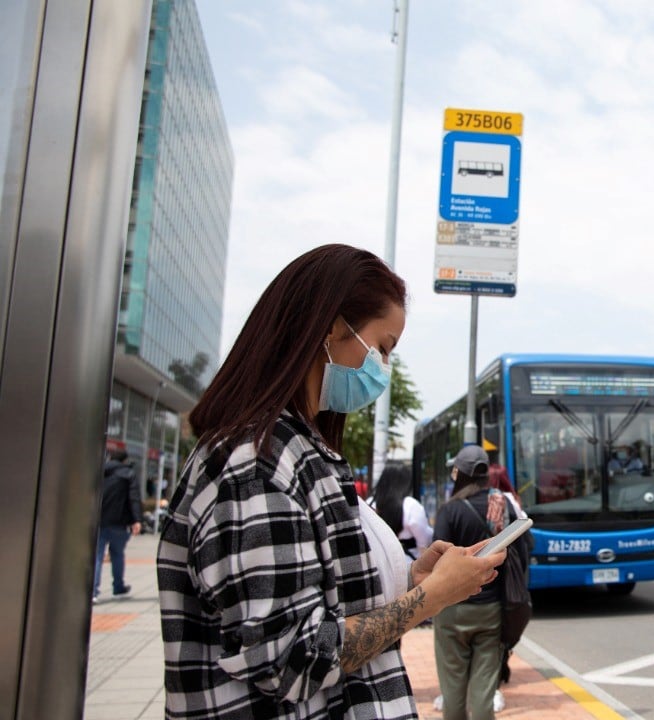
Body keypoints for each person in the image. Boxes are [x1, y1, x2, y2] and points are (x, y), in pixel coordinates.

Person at [155, 244, 505, 719]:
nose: (383, 367)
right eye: (382, 347)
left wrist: (412, 581)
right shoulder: (255, 464)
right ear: (333, 327)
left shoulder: (299, 449)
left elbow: (322, 603)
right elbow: (293, 660)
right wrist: (431, 597)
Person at [432, 444, 531, 720]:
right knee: (484, 688)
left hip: (451, 609)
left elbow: (436, 559)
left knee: (452, 690)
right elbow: (521, 555)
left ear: (459, 474)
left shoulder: (449, 511)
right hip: (491, 609)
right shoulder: (503, 505)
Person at [94, 449, 142, 603]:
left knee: (97, 556)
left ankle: (93, 591)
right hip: (119, 522)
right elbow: (133, 497)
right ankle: (118, 586)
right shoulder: (128, 474)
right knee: (117, 554)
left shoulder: (100, 471)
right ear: (124, 461)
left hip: (99, 520)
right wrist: (137, 520)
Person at [372, 463, 433, 560]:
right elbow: (424, 541)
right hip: (407, 562)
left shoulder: (370, 504)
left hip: (379, 562)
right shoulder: (410, 505)